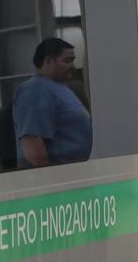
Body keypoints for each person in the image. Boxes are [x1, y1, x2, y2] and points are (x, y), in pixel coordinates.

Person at [13, 38, 92, 168]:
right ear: (48, 61)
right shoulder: (35, 90)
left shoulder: (58, 87)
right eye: (67, 61)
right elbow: (33, 148)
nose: (72, 66)